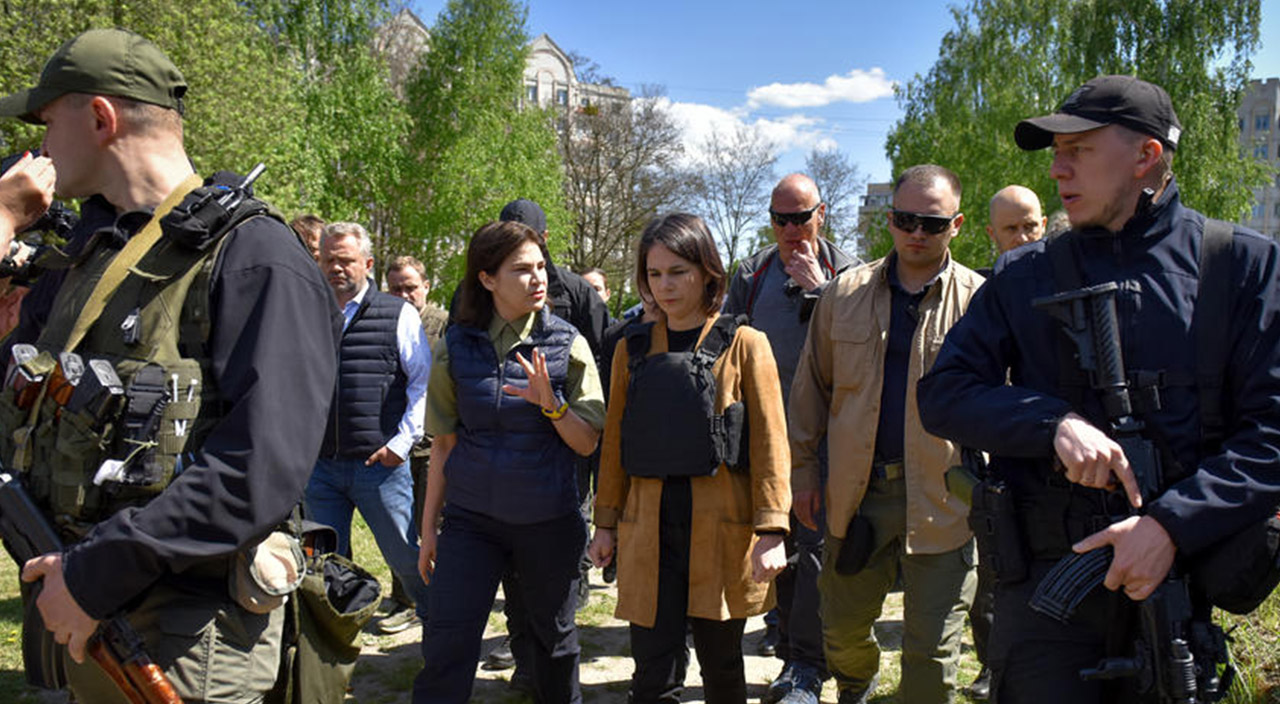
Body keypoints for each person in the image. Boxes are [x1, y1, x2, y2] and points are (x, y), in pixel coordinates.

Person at [0, 28, 340, 702]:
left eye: (46, 120)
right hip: (70, 595)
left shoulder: (254, 255)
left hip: (182, 632)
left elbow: (259, 469)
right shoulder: (87, 253)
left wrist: (95, 575)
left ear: (100, 117)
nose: (37, 145)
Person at [917, 75, 1280, 703]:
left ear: (1146, 156)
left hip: (1176, 588)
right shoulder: (1022, 274)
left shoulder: (1240, 265)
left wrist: (1169, 526)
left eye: (1078, 149)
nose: (1057, 170)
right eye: (1055, 152)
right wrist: (1052, 423)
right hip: (1046, 599)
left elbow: (1272, 434)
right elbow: (944, 393)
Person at [789, 164, 984, 704]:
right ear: (890, 221)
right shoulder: (842, 295)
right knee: (842, 632)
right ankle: (858, 686)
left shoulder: (981, 302)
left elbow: (1000, 400)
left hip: (945, 499)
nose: (917, 233)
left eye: (932, 222)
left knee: (932, 652)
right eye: (905, 219)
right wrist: (803, 472)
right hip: (857, 495)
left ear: (957, 225)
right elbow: (810, 394)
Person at [588, 212, 791, 704]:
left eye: (678, 271)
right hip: (647, 529)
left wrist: (771, 529)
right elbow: (614, 442)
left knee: (722, 666)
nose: (665, 286)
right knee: (652, 669)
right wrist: (606, 523)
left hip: (719, 528)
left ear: (706, 272)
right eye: (654, 274)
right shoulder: (630, 348)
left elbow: (770, 442)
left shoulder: (745, 344)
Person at [415, 219, 605, 703]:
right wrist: (430, 529)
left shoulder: (569, 345)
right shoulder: (455, 347)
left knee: (554, 646)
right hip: (471, 522)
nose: (538, 278)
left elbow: (586, 443)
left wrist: (552, 405)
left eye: (541, 266)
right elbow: (443, 444)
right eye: (522, 269)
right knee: (446, 644)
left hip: (548, 521)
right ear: (486, 278)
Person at [723, 172, 860, 704]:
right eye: (780, 219)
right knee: (772, 543)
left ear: (821, 214)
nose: (790, 229)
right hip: (764, 435)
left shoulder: (849, 272)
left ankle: (808, 664)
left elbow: (863, 347)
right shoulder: (752, 273)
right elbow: (728, 341)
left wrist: (820, 293)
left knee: (816, 547)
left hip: (827, 439)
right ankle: (789, 650)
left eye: (800, 217)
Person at [477, 199, 612, 681]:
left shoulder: (575, 291)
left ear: (545, 237)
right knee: (511, 564)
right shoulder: (480, 288)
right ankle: (524, 657)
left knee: (559, 546)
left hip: (564, 437)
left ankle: (559, 631)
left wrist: (584, 425)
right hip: (503, 445)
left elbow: (605, 355)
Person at [306, 222, 433, 634]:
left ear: (368, 263)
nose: (336, 268)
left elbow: (422, 383)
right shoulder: (308, 310)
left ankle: (442, 623)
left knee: (405, 555)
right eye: (329, 260)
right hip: (320, 467)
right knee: (326, 563)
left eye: (346, 260)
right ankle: (336, 643)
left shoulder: (397, 314)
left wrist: (401, 443)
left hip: (378, 465)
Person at [379, 253, 449, 634]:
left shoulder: (442, 324)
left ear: (426, 287)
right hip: (398, 442)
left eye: (410, 287)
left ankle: (439, 596)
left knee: (433, 525)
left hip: (435, 443)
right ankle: (405, 599)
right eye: (396, 288)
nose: (404, 294)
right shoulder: (384, 322)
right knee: (399, 528)